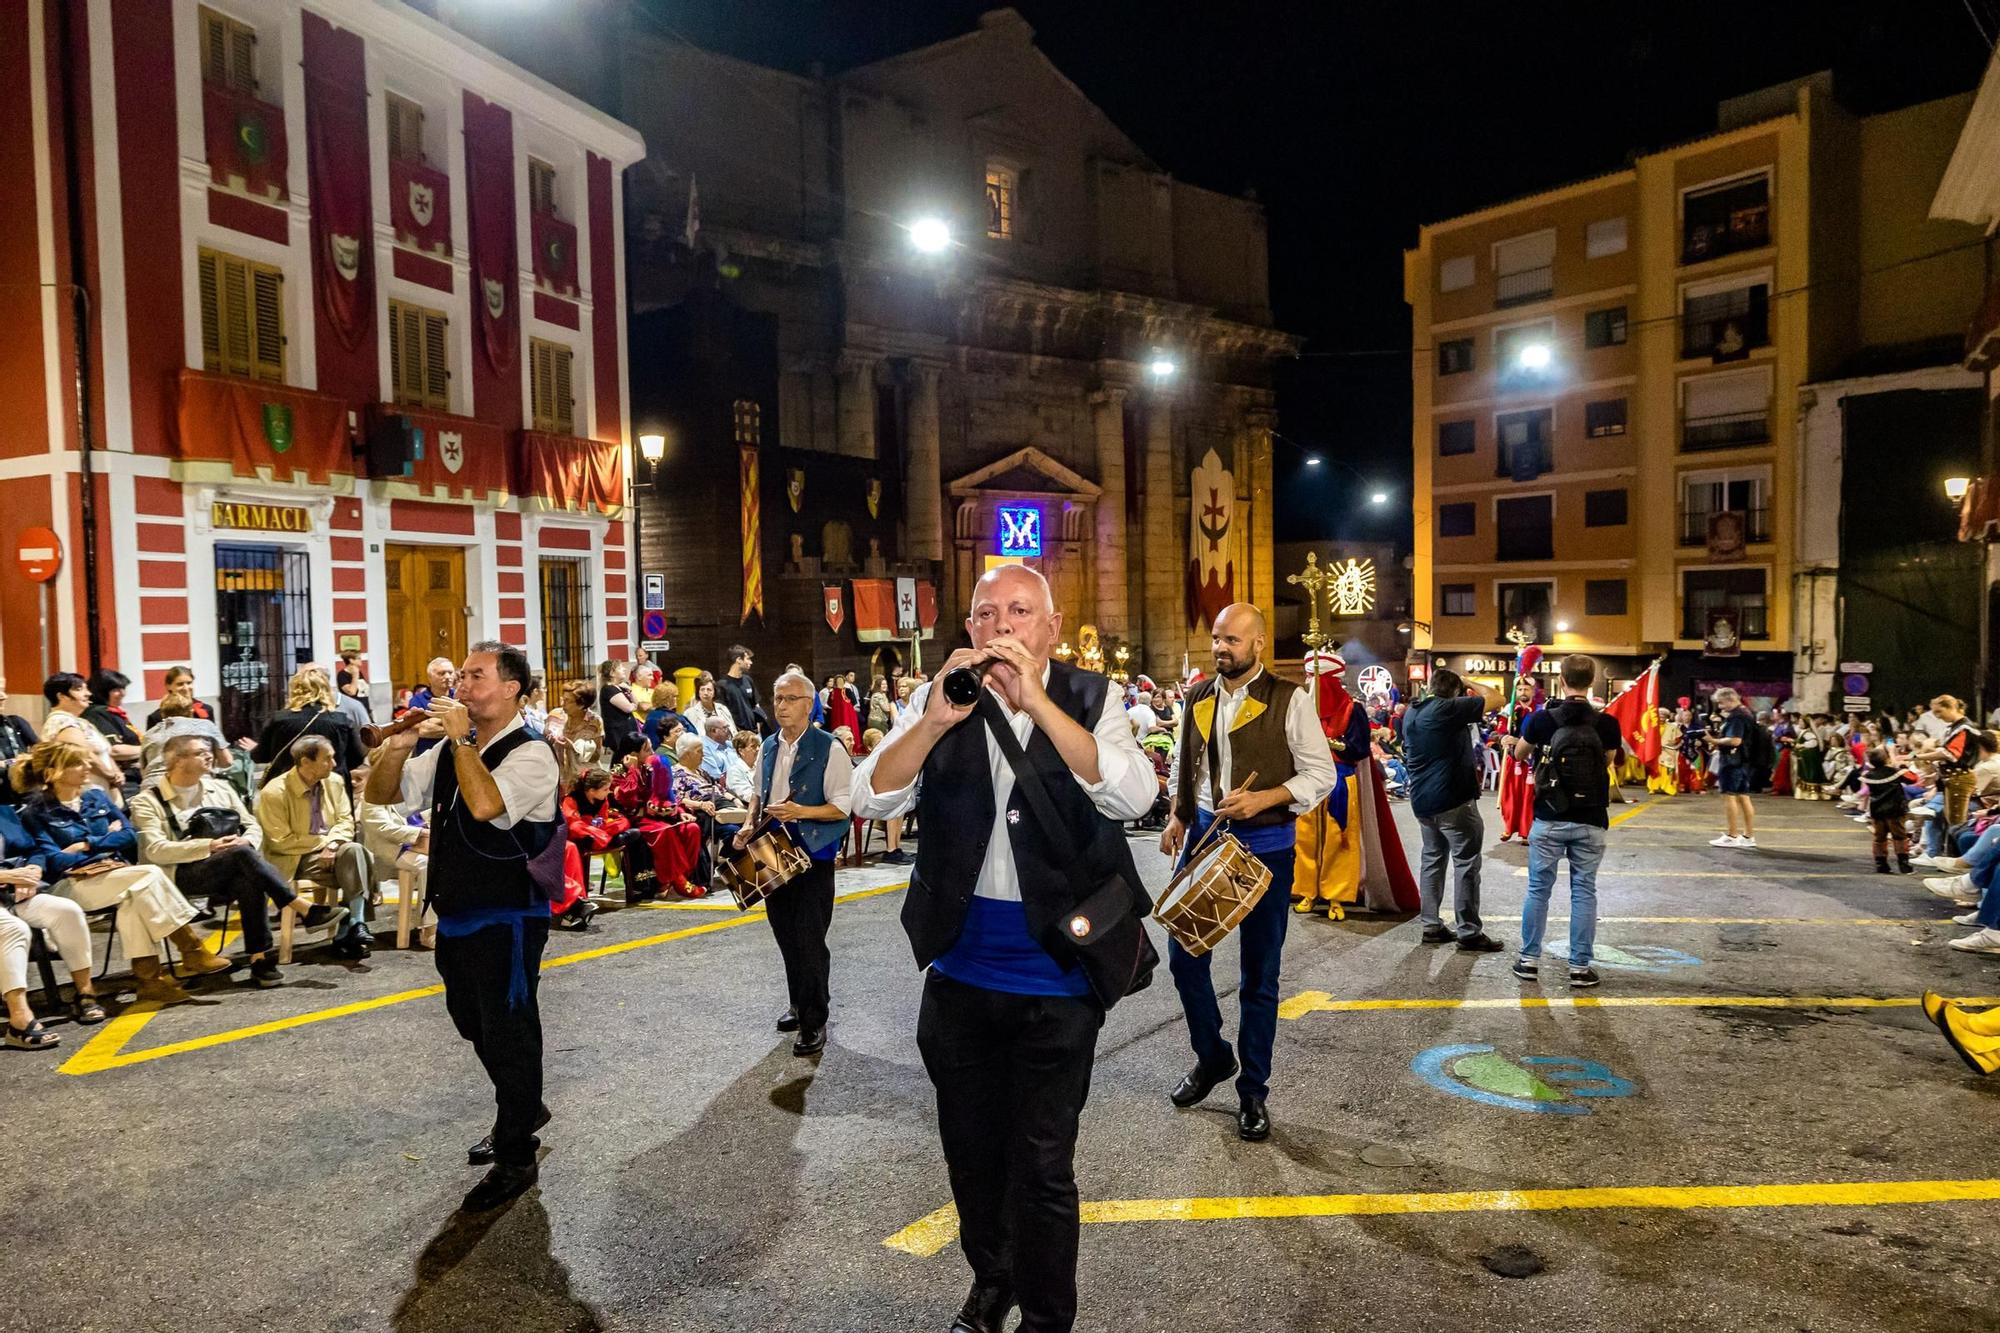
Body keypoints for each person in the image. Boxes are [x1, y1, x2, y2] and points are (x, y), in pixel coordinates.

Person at [851, 564, 1156, 1333]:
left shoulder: (1092, 697)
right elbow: (870, 794)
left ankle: (1049, 1316)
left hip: (1056, 977)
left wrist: (1039, 703)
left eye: (1021, 610)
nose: (1003, 625)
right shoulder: (943, 697)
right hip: (958, 973)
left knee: (1044, 1166)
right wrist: (930, 723)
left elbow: (1133, 793)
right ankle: (994, 1280)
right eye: (986, 612)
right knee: (971, 1155)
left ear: (1051, 627)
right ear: (969, 628)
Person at [365, 641, 564, 1213]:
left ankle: (516, 1150)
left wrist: (458, 740)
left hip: (509, 915)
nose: (462, 686)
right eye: (463, 676)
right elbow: (382, 795)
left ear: (511, 691)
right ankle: (519, 1106)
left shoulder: (533, 754)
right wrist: (396, 749)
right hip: (456, 912)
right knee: (469, 1021)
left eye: (476, 677)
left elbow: (485, 807)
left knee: (508, 1030)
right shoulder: (454, 748)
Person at [1161, 603, 1337, 1144]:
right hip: (1206, 840)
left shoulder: (1290, 698)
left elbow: (1320, 774)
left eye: (1232, 639)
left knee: (1259, 977)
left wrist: (1267, 796)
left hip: (1266, 847)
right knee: (1184, 957)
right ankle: (1213, 1056)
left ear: (1258, 644)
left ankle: (1253, 1091)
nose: (1221, 648)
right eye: (1217, 637)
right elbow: (1185, 764)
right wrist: (1178, 814)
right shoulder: (1198, 696)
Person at [15, 738, 231, 1005]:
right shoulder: (36, 812)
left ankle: (150, 982)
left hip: (118, 874)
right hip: (72, 883)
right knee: (148, 875)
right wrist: (105, 837)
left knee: (135, 897)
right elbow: (55, 860)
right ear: (52, 772)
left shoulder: (95, 797)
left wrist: (85, 844)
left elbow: (128, 836)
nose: (86, 767)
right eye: (76, 763)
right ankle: (192, 949)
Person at [136, 734, 342, 986]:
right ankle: (300, 907)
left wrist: (248, 841)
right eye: (200, 752)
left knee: (247, 872)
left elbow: (251, 825)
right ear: (177, 760)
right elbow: (156, 850)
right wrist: (209, 846)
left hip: (231, 866)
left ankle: (260, 958)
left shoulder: (220, 788)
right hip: (181, 875)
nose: (210, 755)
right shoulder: (147, 801)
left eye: (208, 750)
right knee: (242, 857)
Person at [738, 670, 852, 1055]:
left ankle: (814, 1019)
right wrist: (748, 826)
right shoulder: (769, 745)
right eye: (778, 699)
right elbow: (758, 791)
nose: (781, 706)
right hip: (771, 846)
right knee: (785, 933)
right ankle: (798, 1003)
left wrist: (799, 810)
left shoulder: (830, 747)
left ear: (809, 704)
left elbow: (842, 807)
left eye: (790, 699)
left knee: (809, 939)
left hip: (811, 851)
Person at [1512, 654, 1623, 988]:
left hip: (1549, 814)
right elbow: (1607, 761)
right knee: (1584, 891)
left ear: (1561, 680)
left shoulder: (1540, 720)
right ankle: (1579, 967)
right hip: (1591, 816)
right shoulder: (1607, 723)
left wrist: (1511, 742)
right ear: (1590, 683)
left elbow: (1519, 754)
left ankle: (1529, 960)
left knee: (1538, 889)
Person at [1290, 651, 1417, 918]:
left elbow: (1358, 748)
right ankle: (1307, 891)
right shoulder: (1301, 709)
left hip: (1340, 780)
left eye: (1312, 677)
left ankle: (1337, 895)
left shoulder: (1352, 710)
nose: (1307, 682)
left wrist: (1330, 743)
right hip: (1309, 781)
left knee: (1339, 839)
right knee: (1306, 838)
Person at [1403, 668, 1505, 951]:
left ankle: (1431, 925)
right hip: (1453, 800)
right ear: (1457, 693)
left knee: (1432, 860)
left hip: (1422, 800)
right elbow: (1497, 698)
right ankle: (1469, 930)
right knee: (1467, 863)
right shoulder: (1447, 709)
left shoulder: (1413, 711)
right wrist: (1469, 681)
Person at [255, 734, 375, 959]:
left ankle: (356, 924)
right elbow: (281, 841)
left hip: (334, 853)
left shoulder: (335, 781)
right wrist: (326, 844)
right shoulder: (274, 792)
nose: (334, 764)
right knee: (361, 863)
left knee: (356, 852)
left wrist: (334, 843)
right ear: (305, 763)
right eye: (327, 759)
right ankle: (346, 933)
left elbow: (345, 820)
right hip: (294, 859)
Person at [2, 801, 107, 1042]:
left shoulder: (3, 812)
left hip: (14, 893)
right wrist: (7, 875)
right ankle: (19, 1020)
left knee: (67, 911)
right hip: (6, 891)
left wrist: (32, 871)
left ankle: (85, 994)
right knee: (12, 928)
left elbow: (34, 850)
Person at [609, 733, 702, 898]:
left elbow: (664, 794)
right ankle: (675, 881)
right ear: (633, 753)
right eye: (647, 749)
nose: (652, 752)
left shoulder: (650, 768)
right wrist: (632, 771)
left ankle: (682, 877)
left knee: (692, 828)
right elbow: (627, 799)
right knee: (665, 831)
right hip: (633, 819)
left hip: (656, 816)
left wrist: (679, 811)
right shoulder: (619, 772)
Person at [253, 667, 367, 790]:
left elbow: (260, 756)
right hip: (332, 787)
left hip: (288, 788)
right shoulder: (342, 721)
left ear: (294, 690)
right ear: (326, 690)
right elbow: (357, 757)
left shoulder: (278, 720)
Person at [40, 673, 123, 802]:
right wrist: (110, 775)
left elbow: (105, 752)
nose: (88, 694)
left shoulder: (81, 721)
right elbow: (84, 754)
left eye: (86, 688)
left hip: (103, 792)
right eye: (79, 689)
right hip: (86, 796)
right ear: (61, 696)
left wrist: (116, 773)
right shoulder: (61, 721)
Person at [1913, 696, 1980, 832]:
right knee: (1952, 820)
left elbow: (1950, 754)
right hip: (1952, 778)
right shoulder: (1954, 728)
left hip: (1960, 778)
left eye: (1939, 712)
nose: (1938, 717)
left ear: (1951, 708)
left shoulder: (1964, 728)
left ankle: (1960, 853)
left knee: (1957, 821)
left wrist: (1918, 756)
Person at [1706, 688, 1758, 848]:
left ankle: (1732, 835)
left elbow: (1735, 740)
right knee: (1743, 796)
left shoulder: (1737, 717)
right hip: (1743, 761)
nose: (1720, 707)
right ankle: (1748, 836)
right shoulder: (1747, 713)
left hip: (1732, 761)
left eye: (1721, 703)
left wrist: (1713, 741)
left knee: (1730, 796)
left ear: (1730, 700)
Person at [1857, 745, 1916, 876]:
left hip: (1877, 810)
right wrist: (1898, 764)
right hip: (1895, 810)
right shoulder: (1895, 772)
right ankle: (1904, 864)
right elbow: (1913, 779)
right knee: (1900, 836)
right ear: (1886, 759)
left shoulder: (1869, 775)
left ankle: (1881, 864)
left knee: (1879, 837)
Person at [1495, 674, 1538, 842]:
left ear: (1533, 691)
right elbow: (1499, 731)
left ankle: (1526, 832)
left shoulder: (1540, 711)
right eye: (1519, 689)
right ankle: (1509, 827)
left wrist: (1519, 741)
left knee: (1528, 797)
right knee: (1510, 795)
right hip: (1512, 761)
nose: (1523, 692)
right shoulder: (1509, 709)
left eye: (1526, 689)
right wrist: (1502, 738)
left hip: (1530, 762)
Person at [717, 645, 769, 737]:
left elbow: (755, 704)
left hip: (754, 733)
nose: (751, 662)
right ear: (738, 660)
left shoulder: (748, 680)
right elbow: (721, 712)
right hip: (736, 735)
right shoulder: (722, 685)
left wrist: (758, 725)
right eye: (748, 659)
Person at [0, 678, 37, 806]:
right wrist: (19, 761)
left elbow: (43, 754)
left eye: (3, 690)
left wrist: (8, 763)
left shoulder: (16, 723)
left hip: (27, 799)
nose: (3, 696)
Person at [143, 665, 214, 729]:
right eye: (180, 684)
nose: (186, 688)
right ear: (168, 686)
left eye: (189, 683)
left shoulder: (206, 710)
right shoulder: (156, 717)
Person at [597, 659, 639, 755]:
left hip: (627, 730)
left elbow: (637, 704)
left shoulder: (621, 687)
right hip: (618, 733)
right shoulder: (609, 689)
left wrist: (630, 690)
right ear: (612, 673)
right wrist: (633, 705)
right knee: (622, 759)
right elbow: (628, 708)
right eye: (620, 668)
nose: (624, 669)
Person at [683, 672, 736, 738]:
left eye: (709, 690)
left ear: (714, 693)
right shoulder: (689, 713)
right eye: (702, 690)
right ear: (698, 693)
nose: (706, 693)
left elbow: (733, 731)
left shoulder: (723, 709)